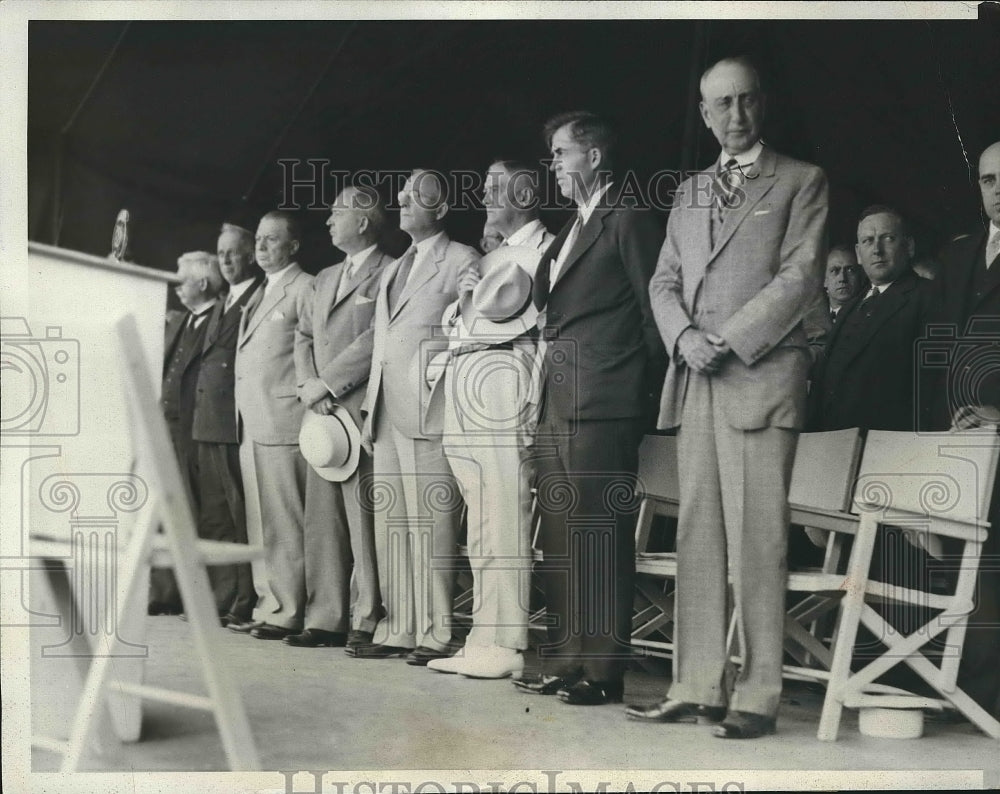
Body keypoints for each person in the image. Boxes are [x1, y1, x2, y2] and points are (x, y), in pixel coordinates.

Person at [631, 57, 827, 738]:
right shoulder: (686, 193)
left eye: (746, 101)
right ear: (705, 114)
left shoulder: (802, 180)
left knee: (758, 541)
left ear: (761, 104)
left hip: (757, 379)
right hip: (697, 382)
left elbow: (801, 277)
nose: (736, 115)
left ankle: (757, 694)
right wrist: (684, 336)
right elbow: (662, 281)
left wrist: (729, 339)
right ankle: (696, 685)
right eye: (723, 104)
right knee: (698, 538)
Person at [510, 111, 666, 706]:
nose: (553, 164)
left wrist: (636, 394)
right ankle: (566, 659)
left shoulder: (627, 217)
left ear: (594, 157)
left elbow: (654, 315)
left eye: (560, 153)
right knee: (560, 536)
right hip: (557, 397)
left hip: (604, 401)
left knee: (598, 534)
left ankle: (602, 671)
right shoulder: (573, 225)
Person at [426, 160, 554, 679]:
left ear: (523, 192)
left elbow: (540, 325)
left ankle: (506, 643)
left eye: (493, 188)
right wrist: (463, 298)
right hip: (468, 377)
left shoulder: (547, 248)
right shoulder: (494, 254)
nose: (482, 195)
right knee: (479, 518)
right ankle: (482, 637)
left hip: (504, 381)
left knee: (502, 514)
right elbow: (461, 323)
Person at [353, 169, 478, 664]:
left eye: (415, 193)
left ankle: (438, 629)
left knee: (432, 521)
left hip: (431, 409)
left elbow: (471, 330)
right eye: (401, 193)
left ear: (442, 208)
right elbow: (382, 345)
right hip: (385, 409)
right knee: (393, 522)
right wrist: (368, 410)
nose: (402, 199)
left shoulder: (463, 259)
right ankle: (400, 625)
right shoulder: (394, 267)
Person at [290, 186, 390, 650]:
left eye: (337, 214)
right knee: (322, 517)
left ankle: (365, 617)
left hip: (359, 413)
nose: (328, 222)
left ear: (364, 222)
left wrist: (328, 385)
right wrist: (312, 389)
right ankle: (325, 616)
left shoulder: (389, 271)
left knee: (362, 516)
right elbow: (303, 335)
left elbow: (375, 338)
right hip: (322, 417)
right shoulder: (324, 277)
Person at [936, 140, 1000, 718]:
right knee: (964, 566)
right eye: (987, 179)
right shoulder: (959, 256)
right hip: (957, 440)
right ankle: (964, 692)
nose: (997, 188)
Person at [230, 211, 314, 640]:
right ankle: (269, 603)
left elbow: (314, 351)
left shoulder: (305, 287)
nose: (261, 249)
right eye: (259, 240)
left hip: (284, 420)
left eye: (271, 241)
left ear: (293, 246)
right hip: (253, 419)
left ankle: (290, 608)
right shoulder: (261, 292)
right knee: (261, 520)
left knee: (285, 519)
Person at [189, 224, 263, 626]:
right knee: (215, 515)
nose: (227, 261)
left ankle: (242, 598)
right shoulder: (222, 302)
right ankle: (218, 598)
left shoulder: (260, 295)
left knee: (239, 515)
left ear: (250, 255)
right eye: (221, 254)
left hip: (234, 420)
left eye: (234, 253)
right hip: (208, 420)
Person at [808, 206, 937, 433]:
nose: (876, 250)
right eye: (868, 241)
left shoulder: (929, 297)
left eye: (887, 239)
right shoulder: (851, 306)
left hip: (888, 446)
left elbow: (932, 388)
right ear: (858, 253)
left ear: (909, 246)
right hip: (831, 445)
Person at [149, 250, 224, 616]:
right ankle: (162, 594)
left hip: (194, 430)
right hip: (166, 424)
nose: (176, 288)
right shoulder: (181, 320)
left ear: (204, 283)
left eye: (182, 280)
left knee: (195, 510)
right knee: (161, 507)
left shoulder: (220, 318)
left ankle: (194, 597)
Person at [823, 245, 865, 325]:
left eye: (850, 270)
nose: (842, 278)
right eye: (835, 271)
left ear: (861, 276)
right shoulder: (815, 321)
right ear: (824, 280)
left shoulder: (867, 318)